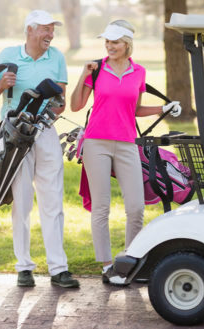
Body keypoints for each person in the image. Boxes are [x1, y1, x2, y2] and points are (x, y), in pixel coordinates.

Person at [70, 20, 181, 286]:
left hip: (128, 143)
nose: (110, 46)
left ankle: (130, 261)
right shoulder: (96, 69)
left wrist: (162, 109)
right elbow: (75, 106)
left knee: (135, 207)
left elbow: (134, 109)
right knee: (102, 207)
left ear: (127, 44)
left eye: (115, 42)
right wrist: (82, 75)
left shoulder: (139, 72)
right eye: (107, 41)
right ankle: (108, 266)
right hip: (96, 143)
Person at [0, 9, 79, 289]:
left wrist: (49, 108)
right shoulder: (7, 56)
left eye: (53, 30)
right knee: (22, 203)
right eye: (46, 29)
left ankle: (58, 269)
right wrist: (2, 84)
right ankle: (24, 267)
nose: (50, 35)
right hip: (15, 136)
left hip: (45, 134)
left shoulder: (57, 58)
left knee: (53, 202)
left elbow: (61, 102)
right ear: (30, 30)